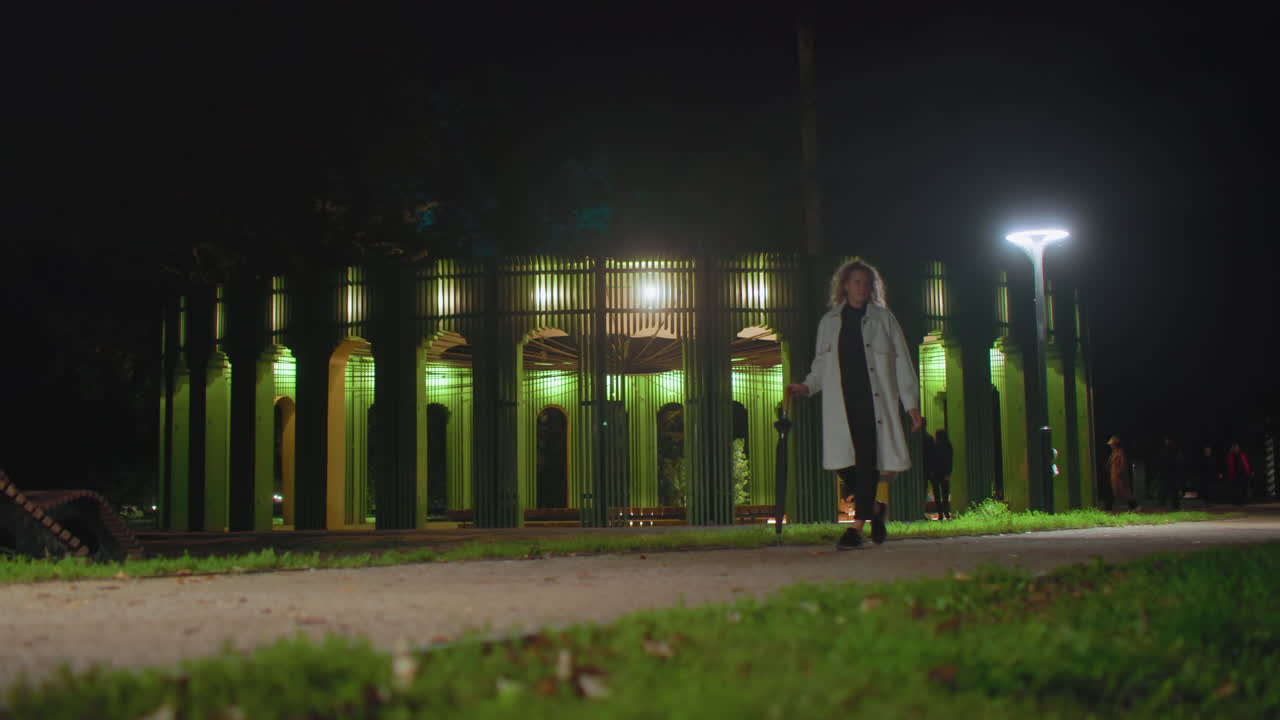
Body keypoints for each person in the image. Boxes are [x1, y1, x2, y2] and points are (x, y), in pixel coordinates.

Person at [787, 258, 923, 549]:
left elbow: (902, 363)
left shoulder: (884, 320)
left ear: (872, 287)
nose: (862, 287)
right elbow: (821, 364)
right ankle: (874, 508)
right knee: (843, 465)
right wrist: (807, 386)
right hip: (841, 402)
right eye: (856, 282)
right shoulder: (829, 322)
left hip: (874, 403)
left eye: (867, 283)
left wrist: (911, 405)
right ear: (845, 285)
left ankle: (855, 529)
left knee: (866, 463)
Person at [1151, 435, 1185, 510]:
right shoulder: (1169, 449)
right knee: (1169, 489)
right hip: (1169, 472)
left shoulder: (1170, 449)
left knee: (1169, 489)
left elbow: (1177, 461)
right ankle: (1170, 504)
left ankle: (1168, 504)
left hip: (1170, 472)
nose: (1166, 442)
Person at [1106, 435, 1137, 511]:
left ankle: (1134, 505)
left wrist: (1119, 472)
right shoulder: (1113, 453)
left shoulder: (1120, 453)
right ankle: (1108, 506)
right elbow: (1109, 464)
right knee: (1114, 491)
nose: (1111, 446)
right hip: (1113, 475)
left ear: (1115, 444)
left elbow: (1123, 464)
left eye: (1112, 444)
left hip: (1119, 476)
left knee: (1124, 492)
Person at [931, 427, 954, 520]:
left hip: (935, 473)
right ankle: (946, 512)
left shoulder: (934, 446)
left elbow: (931, 460)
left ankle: (940, 513)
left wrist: (931, 472)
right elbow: (950, 460)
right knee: (945, 494)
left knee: (937, 494)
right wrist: (948, 473)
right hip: (945, 473)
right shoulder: (948, 445)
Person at [1224, 441, 1252, 506]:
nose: (1236, 448)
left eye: (1237, 447)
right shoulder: (1231, 455)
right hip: (1235, 474)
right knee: (1236, 489)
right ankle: (1236, 501)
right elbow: (1228, 464)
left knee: (1243, 488)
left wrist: (1250, 471)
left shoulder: (1242, 454)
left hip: (1243, 473)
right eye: (1235, 447)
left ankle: (1243, 501)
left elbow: (1248, 463)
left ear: (1239, 448)